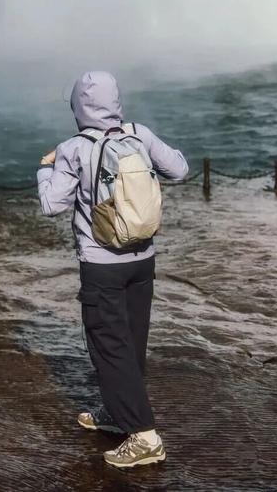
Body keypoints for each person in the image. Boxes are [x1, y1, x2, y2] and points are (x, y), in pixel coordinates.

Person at [36, 70, 188, 469]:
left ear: (78, 107)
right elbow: (180, 170)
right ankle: (118, 413)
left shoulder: (73, 149)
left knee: (109, 347)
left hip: (101, 266)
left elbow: (51, 204)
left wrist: (46, 167)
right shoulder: (140, 134)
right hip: (143, 259)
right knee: (131, 343)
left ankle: (145, 438)